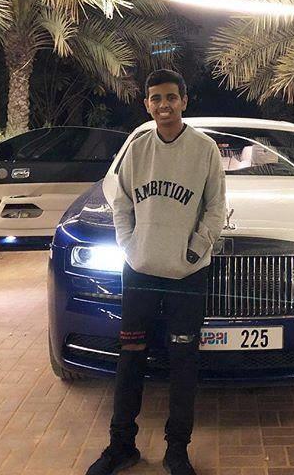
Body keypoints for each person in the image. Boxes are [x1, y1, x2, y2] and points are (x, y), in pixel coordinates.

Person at [86, 69, 226, 475]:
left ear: (184, 101)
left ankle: (177, 450)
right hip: (140, 272)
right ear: (147, 104)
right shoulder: (137, 148)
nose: (164, 105)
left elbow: (216, 207)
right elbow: (121, 203)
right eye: (156, 98)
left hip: (187, 275)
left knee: (184, 362)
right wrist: (130, 247)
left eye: (171, 97)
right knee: (130, 358)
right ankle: (121, 446)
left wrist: (195, 249)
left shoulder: (204, 149)